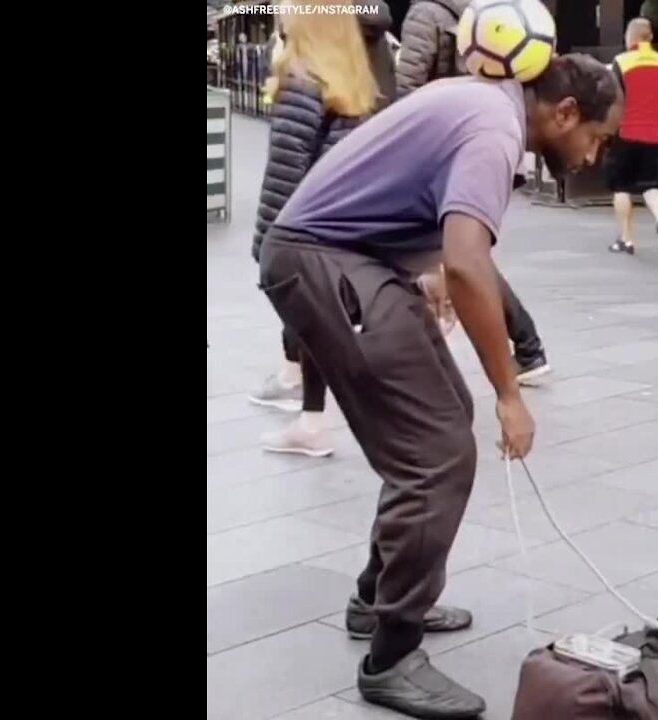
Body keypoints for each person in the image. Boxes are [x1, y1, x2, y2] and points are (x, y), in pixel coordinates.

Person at [258, 55, 622, 718]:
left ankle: (379, 599)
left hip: (347, 256)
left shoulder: (487, 104)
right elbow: (467, 260)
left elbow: (419, 204)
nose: (595, 155)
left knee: (445, 421)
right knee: (436, 455)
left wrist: (422, 266)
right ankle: (392, 655)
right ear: (565, 113)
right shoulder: (497, 128)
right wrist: (510, 394)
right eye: (598, 137)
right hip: (327, 260)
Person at [246, 0, 395, 457]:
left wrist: (263, 243)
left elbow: (285, 172)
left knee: (316, 321)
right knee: (320, 321)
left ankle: (318, 422)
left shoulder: (302, 82)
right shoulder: (354, 84)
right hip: (344, 224)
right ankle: (314, 422)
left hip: (305, 227)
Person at [394, 0, 553, 385]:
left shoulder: (425, 15)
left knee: (458, 256)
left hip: (443, 147)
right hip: (486, 142)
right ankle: (527, 348)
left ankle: (525, 349)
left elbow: (407, 88)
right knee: (465, 254)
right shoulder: (491, 14)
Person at [607, 17, 658, 255]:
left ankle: (626, 240)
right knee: (651, 184)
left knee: (621, 187)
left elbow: (612, 98)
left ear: (631, 37)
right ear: (650, 38)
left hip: (626, 133)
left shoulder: (622, 62)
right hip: (653, 133)